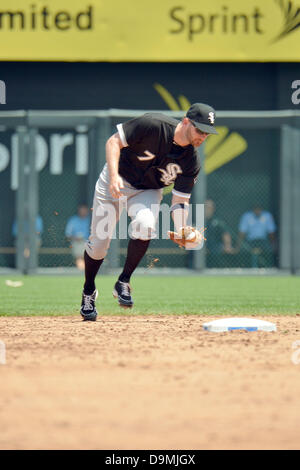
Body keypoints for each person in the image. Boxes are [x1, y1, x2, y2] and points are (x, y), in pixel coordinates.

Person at [80, 103, 218, 321]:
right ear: (185, 122)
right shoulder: (153, 125)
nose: (202, 136)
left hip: (147, 190)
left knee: (146, 225)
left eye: (207, 133)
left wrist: (181, 227)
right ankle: (88, 291)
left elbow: (180, 200)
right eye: (199, 129)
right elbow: (113, 141)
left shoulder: (191, 161)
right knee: (99, 245)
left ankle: (123, 281)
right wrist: (114, 175)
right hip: (115, 180)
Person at [204, 199, 234, 267]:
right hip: (201, 245)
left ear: (213, 209)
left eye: (209, 208)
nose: (207, 210)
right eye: (205, 207)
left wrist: (227, 245)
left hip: (215, 246)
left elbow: (225, 234)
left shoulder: (217, 221)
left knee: (217, 250)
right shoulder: (198, 220)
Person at [65, 204, 91, 270]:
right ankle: (83, 271)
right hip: (77, 242)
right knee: (80, 255)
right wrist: (76, 238)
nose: (83, 211)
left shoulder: (90, 220)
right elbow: (68, 235)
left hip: (89, 242)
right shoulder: (73, 220)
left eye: (84, 210)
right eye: (81, 210)